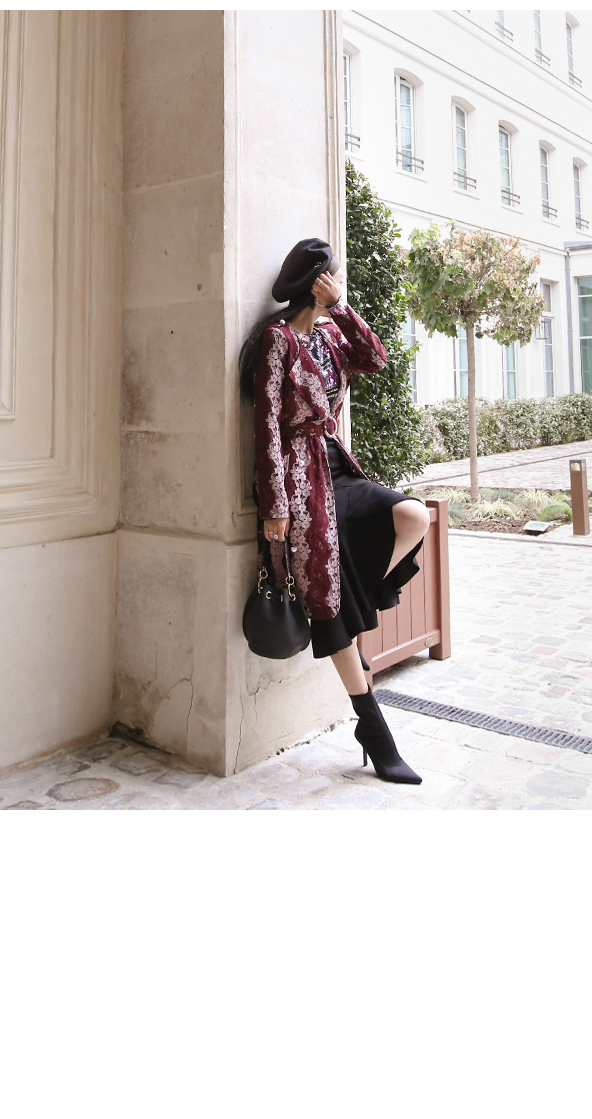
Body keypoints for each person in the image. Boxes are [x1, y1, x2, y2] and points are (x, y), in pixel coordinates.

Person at [239, 237, 429, 784]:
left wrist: (341, 308)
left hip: (336, 466)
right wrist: (274, 506)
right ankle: (374, 730)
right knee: (330, 605)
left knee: (413, 517)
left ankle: (357, 596)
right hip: (298, 481)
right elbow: (266, 426)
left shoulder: (329, 334)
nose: (337, 285)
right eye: (333, 279)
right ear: (315, 282)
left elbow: (376, 358)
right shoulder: (277, 340)